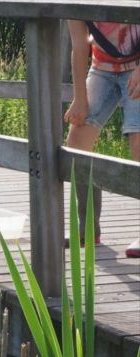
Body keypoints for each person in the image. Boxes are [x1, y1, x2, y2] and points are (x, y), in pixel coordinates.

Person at [64, 20, 140, 257]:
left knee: (138, 142)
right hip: (102, 68)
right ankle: (88, 229)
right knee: (77, 142)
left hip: (137, 64)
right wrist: (79, 99)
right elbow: (79, 45)